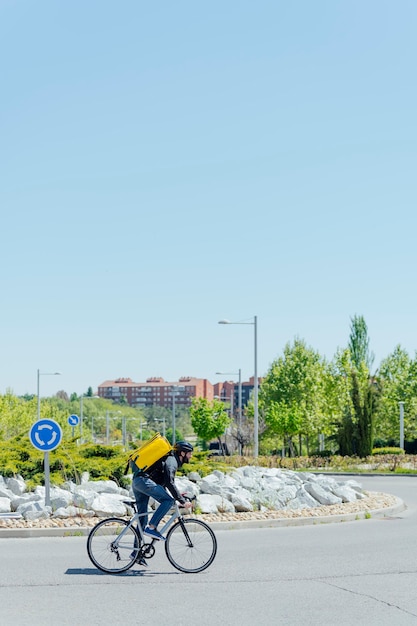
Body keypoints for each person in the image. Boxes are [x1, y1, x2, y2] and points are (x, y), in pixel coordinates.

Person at [131, 441, 194, 564]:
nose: (190, 456)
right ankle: (152, 527)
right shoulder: (172, 461)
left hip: (138, 481)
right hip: (144, 481)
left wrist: (177, 495)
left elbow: (162, 483)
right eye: (189, 453)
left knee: (142, 518)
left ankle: (136, 553)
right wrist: (180, 500)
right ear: (182, 453)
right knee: (169, 501)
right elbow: (169, 482)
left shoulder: (169, 460)